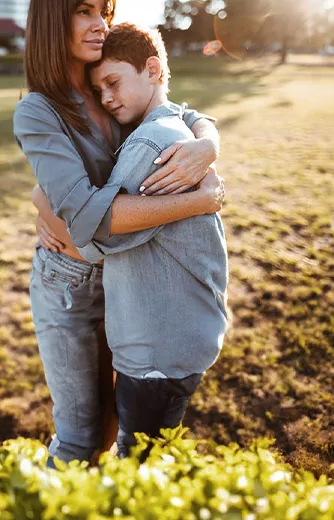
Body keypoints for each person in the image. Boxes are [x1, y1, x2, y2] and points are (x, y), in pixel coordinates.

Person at [13, 0, 224, 468]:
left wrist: (209, 144)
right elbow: (86, 214)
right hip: (69, 280)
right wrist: (200, 200)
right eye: (83, 12)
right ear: (51, 19)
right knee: (80, 436)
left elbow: (178, 110)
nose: (99, 24)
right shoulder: (38, 110)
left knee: (114, 427)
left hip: (125, 278)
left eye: (103, 11)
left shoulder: (107, 89)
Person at [83, 23, 228, 458]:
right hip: (176, 335)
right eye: (98, 90)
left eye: (113, 83)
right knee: (144, 455)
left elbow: (101, 232)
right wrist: (210, 137)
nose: (107, 98)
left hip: (157, 351)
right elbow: (188, 113)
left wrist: (44, 207)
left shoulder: (151, 142)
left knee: (136, 468)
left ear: (152, 70)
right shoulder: (170, 125)